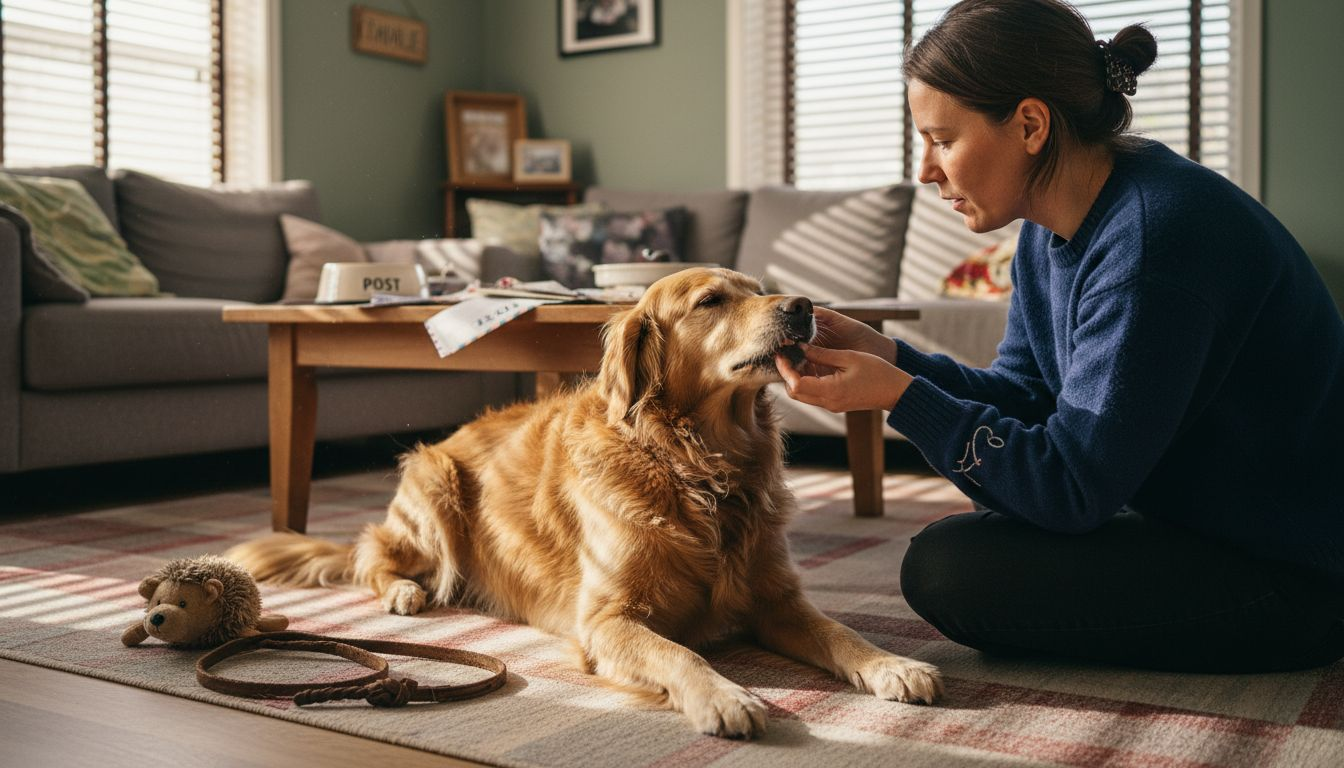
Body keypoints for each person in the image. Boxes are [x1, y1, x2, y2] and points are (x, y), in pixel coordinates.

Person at [775, 0, 1344, 673]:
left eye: (941, 139)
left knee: (947, 569)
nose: (925, 170)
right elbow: (1029, 394)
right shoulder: (1050, 233)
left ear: (1030, 124)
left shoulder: (1153, 244)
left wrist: (904, 399)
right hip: (1187, 521)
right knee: (971, 539)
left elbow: (1071, 491)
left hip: (1289, 574)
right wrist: (892, 359)